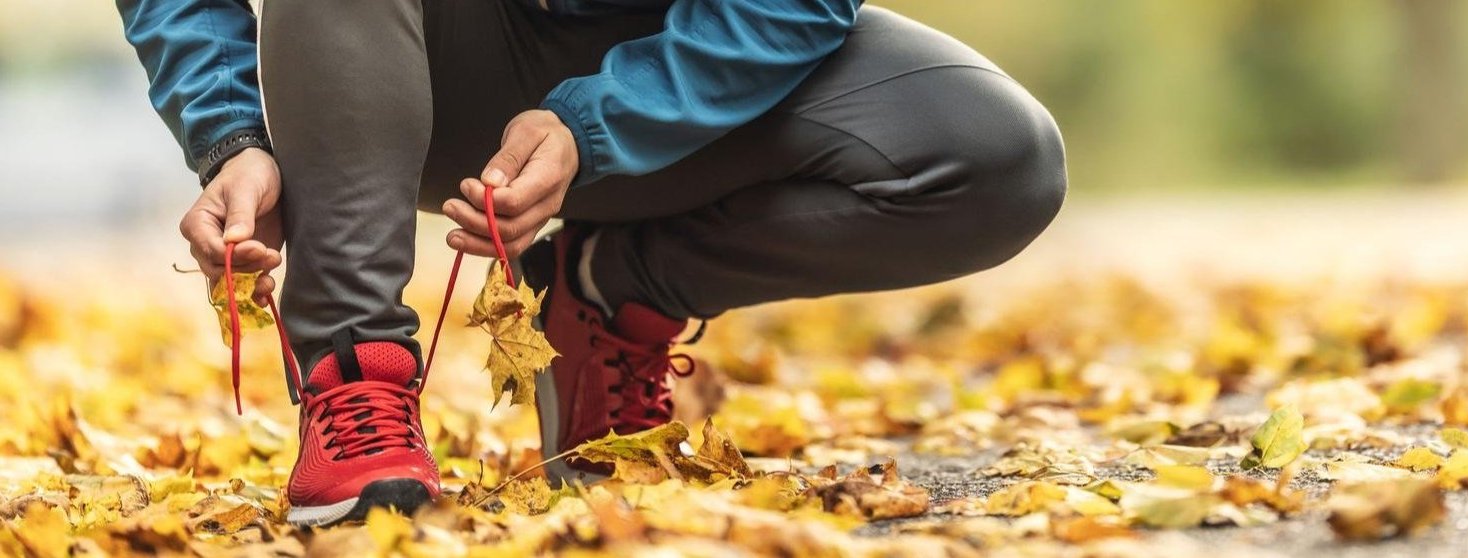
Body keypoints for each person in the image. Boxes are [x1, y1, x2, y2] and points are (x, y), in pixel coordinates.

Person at [117, 0, 1065, 527]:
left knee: (990, 155)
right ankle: (353, 378)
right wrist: (230, 130)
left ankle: (611, 291)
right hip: (399, 53)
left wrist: (598, 121)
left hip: (685, 60)